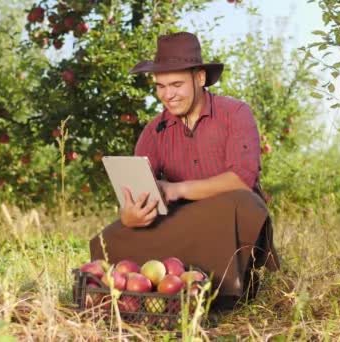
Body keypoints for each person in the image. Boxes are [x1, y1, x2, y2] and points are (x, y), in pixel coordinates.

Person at [89, 32, 280, 310]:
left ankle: (227, 291)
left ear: (200, 78)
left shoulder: (235, 113)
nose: (168, 94)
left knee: (242, 201)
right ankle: (151, 290)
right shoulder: (154, 130)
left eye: (176, 84)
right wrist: (129, 215)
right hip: (180, 219)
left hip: (229, 217)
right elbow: (138, 189)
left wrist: (177, 189)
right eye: (160, 86)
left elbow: (242, 177)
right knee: (109, 237)